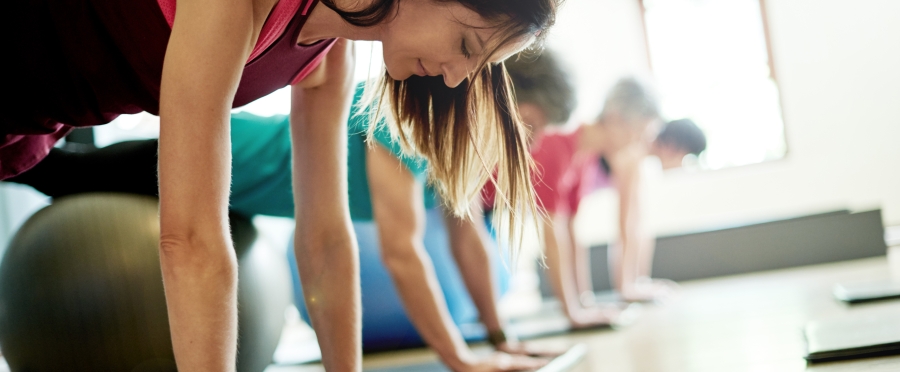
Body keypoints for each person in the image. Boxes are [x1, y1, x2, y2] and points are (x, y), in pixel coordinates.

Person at [2, 0, 561, 369]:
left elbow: (324, 240)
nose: (458, 77)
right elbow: (191, 239)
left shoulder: (330, 54)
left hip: (37, 119)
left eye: (480, 65)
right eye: (467, 46)